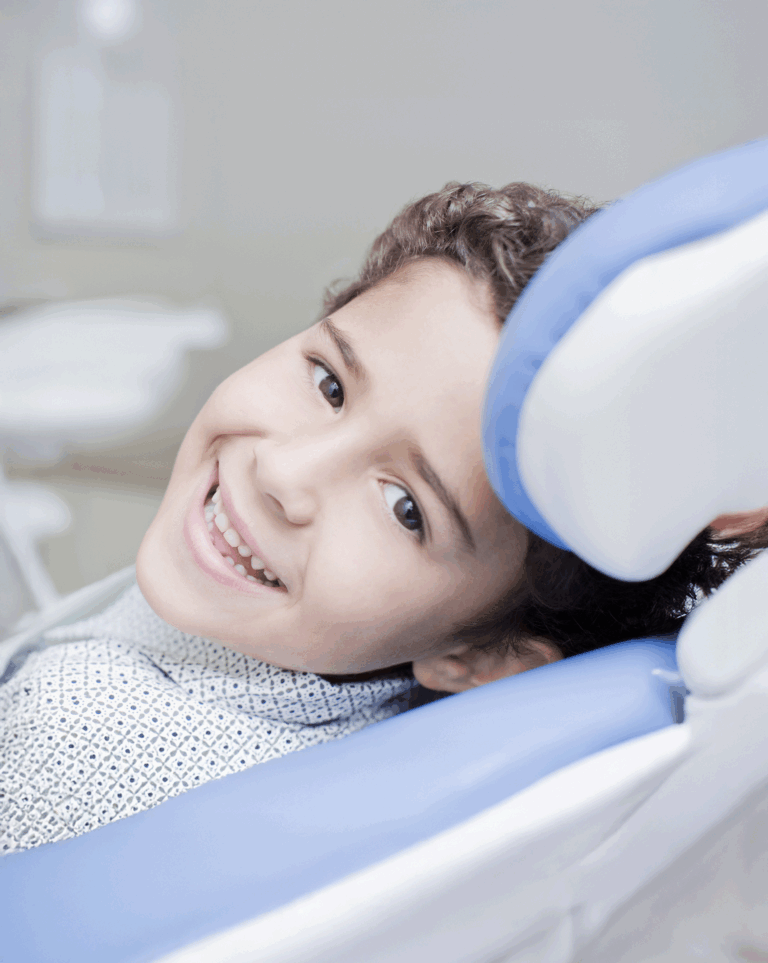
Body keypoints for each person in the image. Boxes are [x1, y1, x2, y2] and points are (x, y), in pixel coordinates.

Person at [2, 182, 766, 855]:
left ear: (481, 659)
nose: (283, 473)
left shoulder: (78, 727)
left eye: (407, 508)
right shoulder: (289, 647)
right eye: (330, 383)